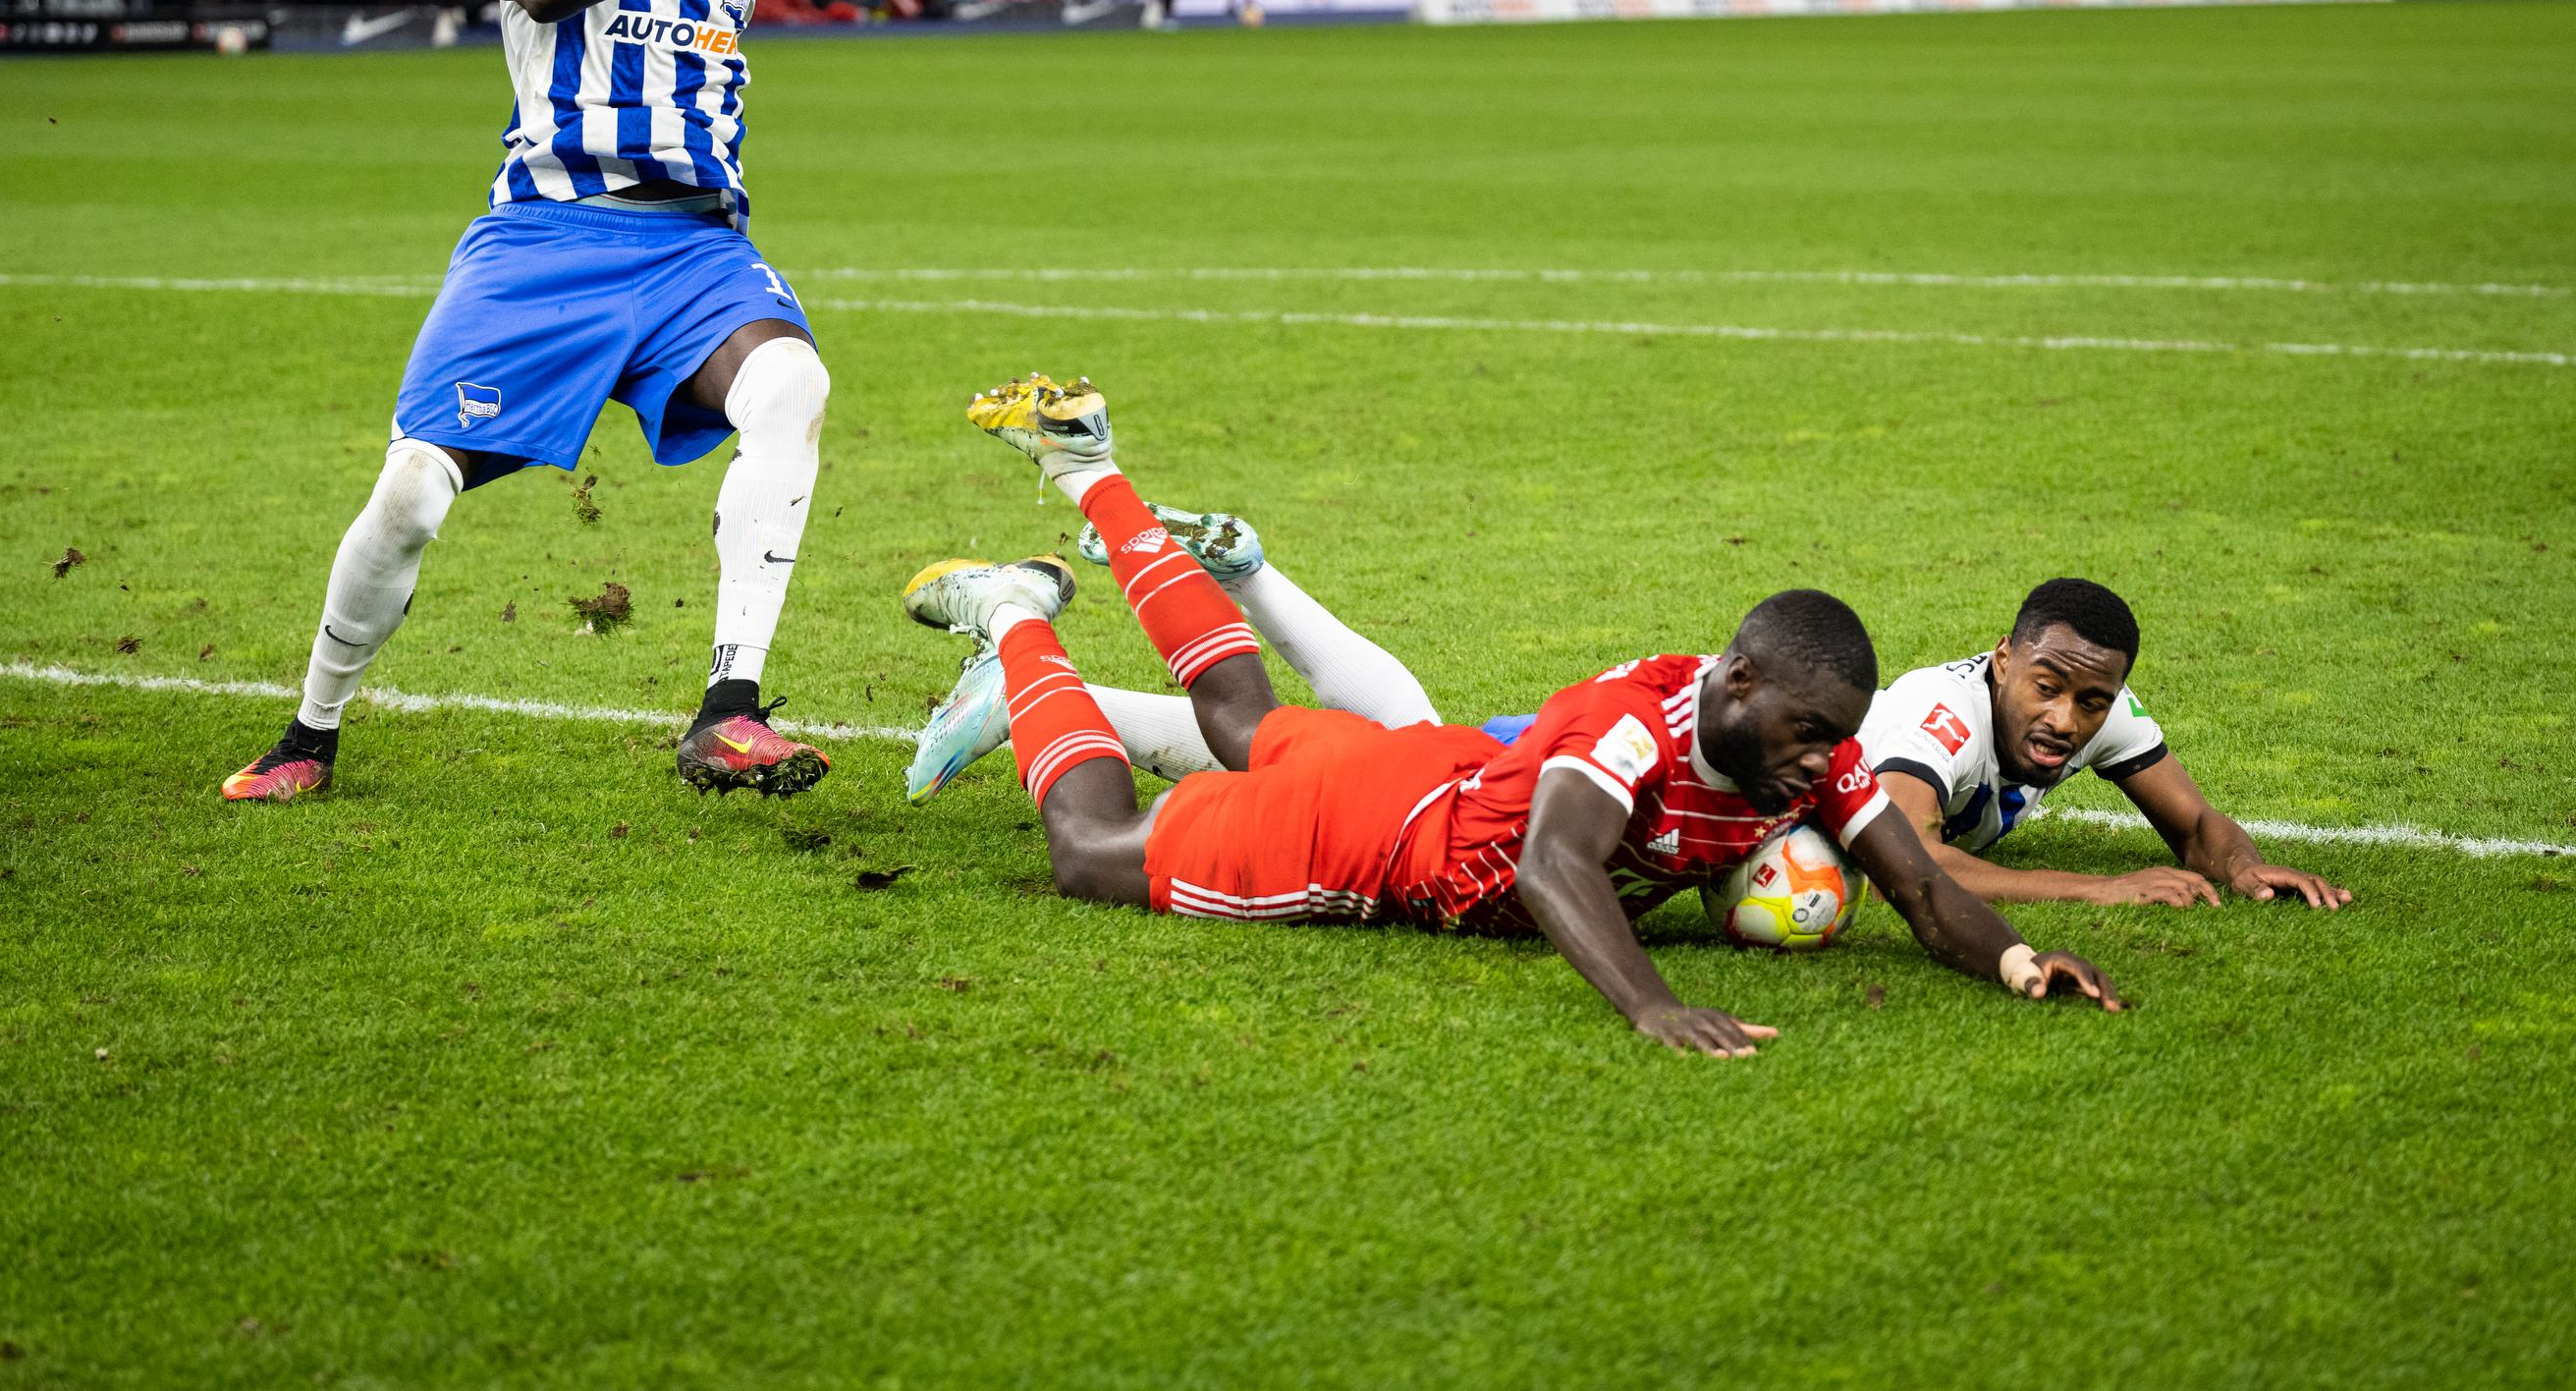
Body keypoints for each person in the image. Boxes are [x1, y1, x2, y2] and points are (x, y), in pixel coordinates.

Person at [900, 374, 2119, 1056]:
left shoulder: (1810, 759)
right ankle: (1017, 622)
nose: (1821, 762)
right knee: (1087, 855)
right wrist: (1650, 1002)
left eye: (1832, 740)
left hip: (1423, 770)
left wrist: (2014, 960)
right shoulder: (1632, 723)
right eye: (1806, 733)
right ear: (1738, 685)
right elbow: (1552, 865)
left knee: (1239, 718)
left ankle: (1087, 469)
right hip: (1366, 847)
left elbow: (1917, 886)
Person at [221, 0, 836, 806]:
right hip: (546, 237)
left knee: (792, 386)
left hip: (692, 247)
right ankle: (310, 734)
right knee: (412, 489)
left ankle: (729, 713)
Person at [1850, 581, 2352, 910]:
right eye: (2045, 688)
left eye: (2092, 702)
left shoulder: (2101, 700)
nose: (2064, 720)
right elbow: (1903, 860)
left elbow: (2196, 826)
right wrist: (2099, 888)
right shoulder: (1942, 715)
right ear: (2003, 659)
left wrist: (2245, 867)